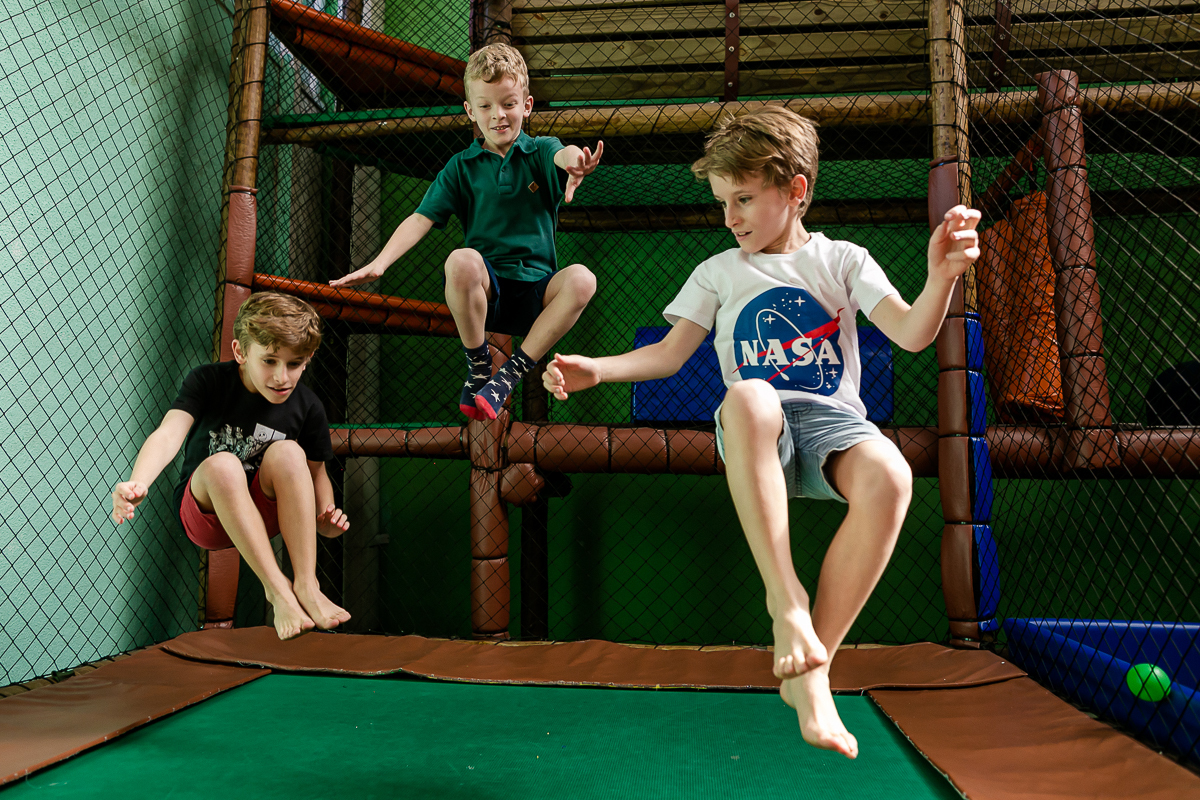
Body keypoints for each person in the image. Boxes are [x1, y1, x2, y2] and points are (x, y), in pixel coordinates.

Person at [543, 107, 980, 758]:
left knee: (890, 473)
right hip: (758, 430)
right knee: (748, 393)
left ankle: (813, 672)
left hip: (832, 424)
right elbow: (667, 355)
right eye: (724, 202)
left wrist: (942, 275)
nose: (731, 217)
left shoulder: (842, 260)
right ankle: (787, 600)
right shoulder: (720, 272)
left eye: (744, 199)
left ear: (796, 190)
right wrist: (597, 370)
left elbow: (914, 333)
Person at [331, 42, 603, 421]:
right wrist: (381, 262)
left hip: (537, 297)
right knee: (461, 261)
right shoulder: (461, 167)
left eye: (508, 104)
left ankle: (509, 374)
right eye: (486, 106)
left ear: (526, 105)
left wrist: (577, 162)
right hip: (487, 297)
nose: (498, 115)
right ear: (470, 111)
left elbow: (565, 153)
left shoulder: (540, 151)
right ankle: (479, 369)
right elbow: (420, 218)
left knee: (583, 279)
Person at [111, 292, 350, 641]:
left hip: (265, 515)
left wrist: (324, 516)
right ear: (241, 352)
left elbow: (316, 474)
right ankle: (276, 589)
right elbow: (168, 433)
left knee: (290, 454)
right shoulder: (208, 381)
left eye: (294, 363)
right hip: (208, 514)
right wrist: (138, 482)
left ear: (309, 358)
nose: (282, 376)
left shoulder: (308, 405)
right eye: (269, 361)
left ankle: (306, 584)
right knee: (224, 465)